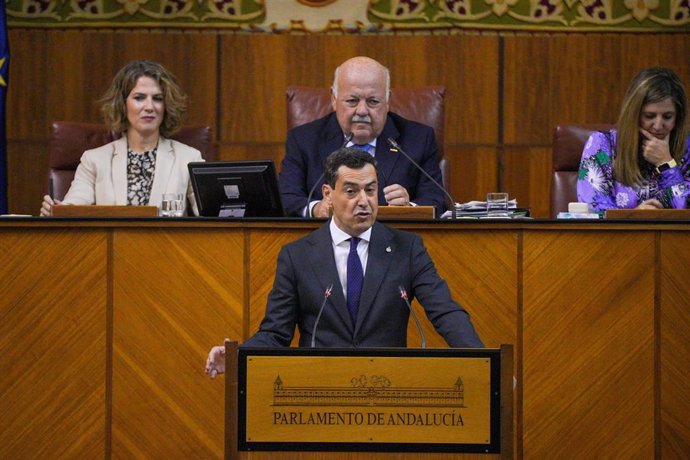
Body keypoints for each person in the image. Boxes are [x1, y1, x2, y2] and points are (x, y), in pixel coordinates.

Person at [205, 148, 483, 378]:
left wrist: (485, 363)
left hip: (389, 384)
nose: (364, 201)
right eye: (351, 191)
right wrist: (236, 357)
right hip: (319, 385)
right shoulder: (297, 256)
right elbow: (275, 333)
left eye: (370, 191)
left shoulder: (407, 249)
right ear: (328, 194)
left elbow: (446, 313)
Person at [279, 56, 446, 217]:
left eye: (373, 101)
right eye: (352, 100)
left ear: (387, 101)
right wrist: (317, 209)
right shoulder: (304, 140)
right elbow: (286, 198)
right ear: (333, 99)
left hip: (394, 240)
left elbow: (436, 200)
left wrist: (408, 209)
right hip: (325, 241)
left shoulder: (418, 139)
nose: (362, 111)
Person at [40, 60, 202, 216]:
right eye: (139, 98)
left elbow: (211, 214)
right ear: (122, 104)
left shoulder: (188, 158)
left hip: (166, 243)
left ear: (166, 106)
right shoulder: (94, 160)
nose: (149, 107)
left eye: (157, 99)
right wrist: (57, 210)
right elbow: (74, 207)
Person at [577, 67, 690, 211]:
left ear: (678, 117)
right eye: (649, 116)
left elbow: (686, 210)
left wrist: (666, 164)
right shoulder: (603, 144)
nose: (658, 126)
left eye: (667, 117)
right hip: (620, 234)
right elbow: (592, 208)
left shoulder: (687, 148)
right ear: (634, 115)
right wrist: (634, 217)